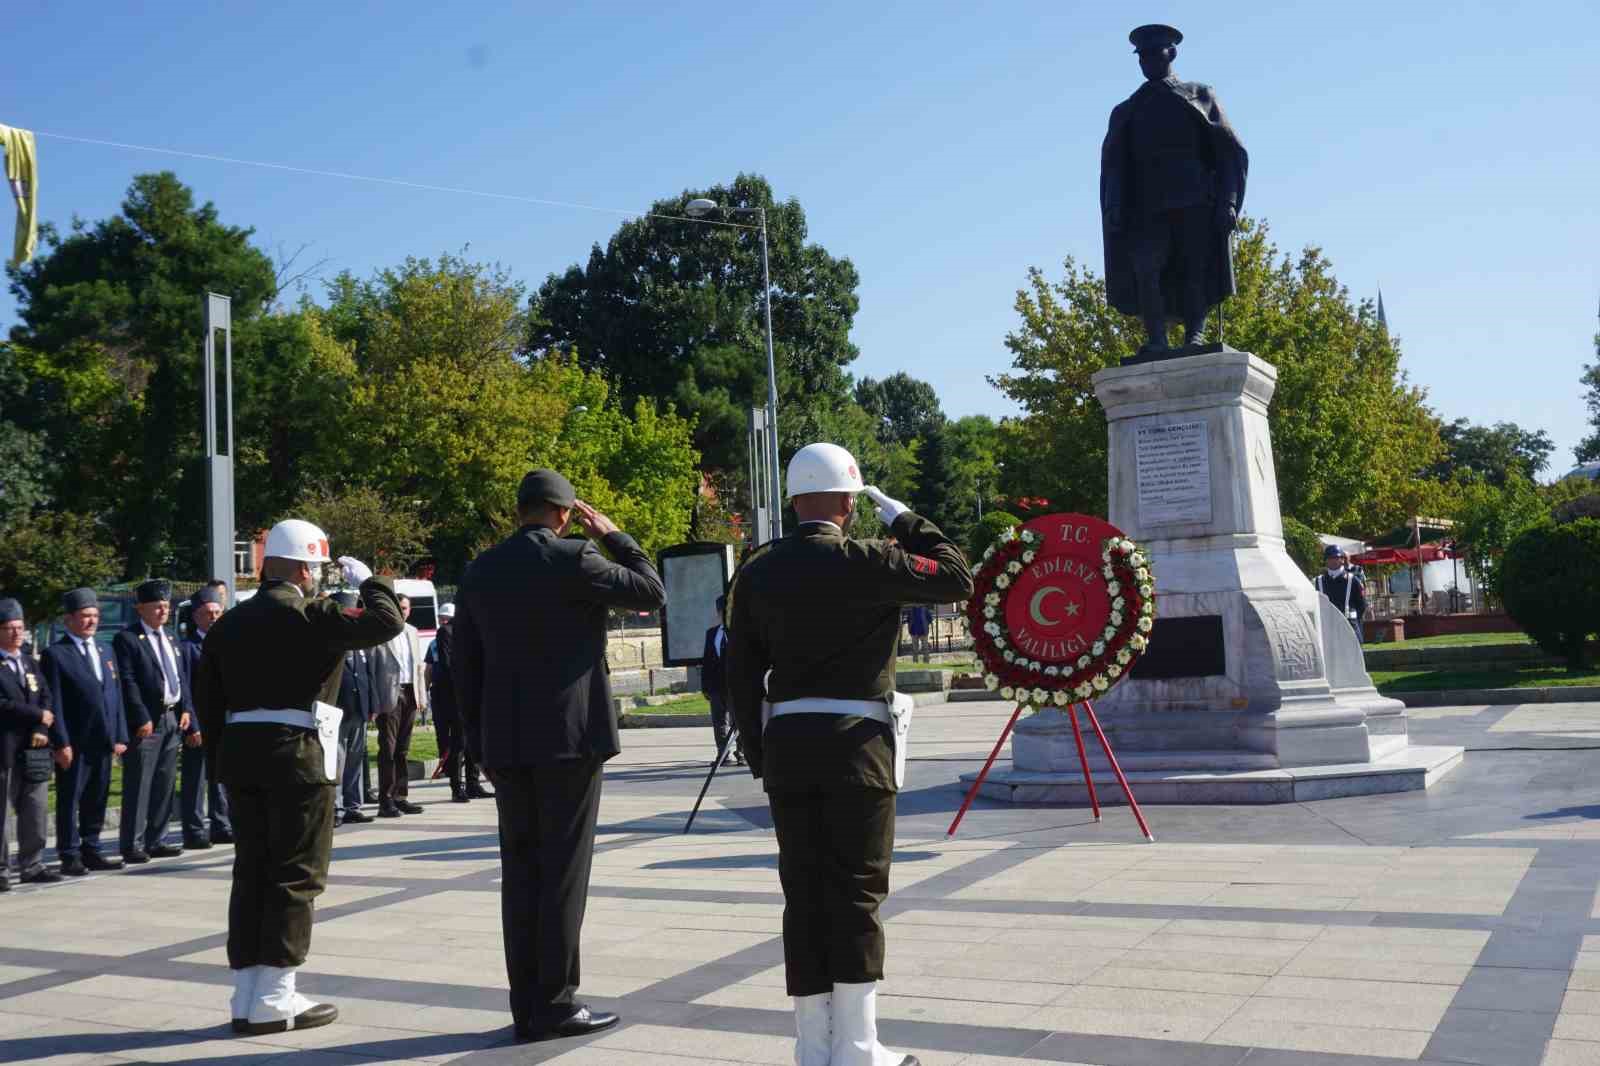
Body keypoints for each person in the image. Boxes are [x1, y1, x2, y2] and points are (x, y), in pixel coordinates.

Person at [726, 442, 973, 1066]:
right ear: (847, 501)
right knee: (858, 893)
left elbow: (740, 674)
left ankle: (813, 1046)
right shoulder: (873, 559)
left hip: (788, 750)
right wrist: (902, 516)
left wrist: (760, 756)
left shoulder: (756, 570)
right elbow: (957, 575)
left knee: (804, 894)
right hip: (859, 750)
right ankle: (859, 1047)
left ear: (794, 498)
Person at [455, 469, 665, 1043]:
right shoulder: (576, 559)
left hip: (506, 744)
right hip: (570, 742)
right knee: (563, 875)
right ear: (566, 514)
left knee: (520, 875)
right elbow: (652, 591)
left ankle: (526, 1002)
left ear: (519, 510)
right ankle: (555, 1003)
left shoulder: (480, 570)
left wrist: (477, 742)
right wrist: (616, 537)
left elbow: (464, 667)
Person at [193, 519, 404, 1035]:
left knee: (252, 873)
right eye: (315, 568)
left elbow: (208, 700)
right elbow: (388, 623)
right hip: (297, 758)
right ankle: (275, 996)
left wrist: (224, 761)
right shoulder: (313, 614)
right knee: (295, 875)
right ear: (305, 568)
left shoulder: (228, 624)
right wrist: (375, 581)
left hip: (242, 756)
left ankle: (246, 993)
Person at [1100, 23, 1248, 355]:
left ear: (1172, 53)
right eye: (1143, 56)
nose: (1148, 61)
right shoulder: (1127, 110)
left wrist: (1228, 201)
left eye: (1155, 53)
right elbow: (1114, 164)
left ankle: (1194, 336)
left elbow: (1228, 153)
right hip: (1145, 208)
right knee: (1147, 272)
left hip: (1192, 200)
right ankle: (1157, 340)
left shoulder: (1199, 95)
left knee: (1193, 268)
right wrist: (1113, 206)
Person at [41, 587, 128, 875]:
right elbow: (55, 702)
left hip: (103, 740)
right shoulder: (56, 654)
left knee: (97, 797)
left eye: (95, 615)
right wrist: (61, 742)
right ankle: (69, 853)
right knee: (70, 799)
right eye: (84, 616)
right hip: (75, 742)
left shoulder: (106, 649)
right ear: (69, 620)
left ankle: (92, 849)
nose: (91, 621)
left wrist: (119, 735)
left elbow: (115, 695)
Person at [112, 580, 190, 862]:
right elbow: (128, 680)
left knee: (165, 781)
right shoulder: (128, 639)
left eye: (166, 606)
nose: (163, 611)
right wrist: (140, 716)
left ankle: (157, 838)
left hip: (172, 717)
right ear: (140, 608)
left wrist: (185, 708)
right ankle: (132, 844)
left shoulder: (170, 638)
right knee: (140, 783)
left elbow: (180, 677)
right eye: (157, 606)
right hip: (147, 721)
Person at [1, 597, 70, 888]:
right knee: (2, 812)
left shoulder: (29, 661)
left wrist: (43, 724)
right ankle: (2, 870)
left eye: (19, 627)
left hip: (34, 747)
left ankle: (32, 864)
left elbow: (46, 695)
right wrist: (38, 714)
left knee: (35, 806)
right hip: (4, 748)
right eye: (8, 628)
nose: (16, 633)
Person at [179, 586, 230, 849]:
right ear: (196, 616)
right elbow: (186, 689)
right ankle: (194, 829)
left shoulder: (228, 643)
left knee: (221, 776)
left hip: (224, 723)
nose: (213, 617)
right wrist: (193, 726)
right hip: (199, 724)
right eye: (208, 613)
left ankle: (222, 824)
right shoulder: (188, 648)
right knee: (195, 780)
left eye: (217, 612)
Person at [372, 594, 428, 818]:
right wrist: (374, 701)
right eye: (399, 607)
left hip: (410, 693)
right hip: (389, 695)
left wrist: (422, 697)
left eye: (405, 608)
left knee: (403, 749)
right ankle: (385, 800)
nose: (402, 611)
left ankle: (400, 796)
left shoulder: (412, 632)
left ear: (409, 610)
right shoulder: (382, 630)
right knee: (388, 748)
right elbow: (374, 666)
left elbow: (419, 667)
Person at [428, 602, 489, 802]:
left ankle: (473, 784)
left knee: (473, 740)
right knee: (459, 743)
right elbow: (447, 664)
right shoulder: (446, 631)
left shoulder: (476, 630)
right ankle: (457, 787)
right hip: (455, 695)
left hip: (474, 693)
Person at [331, 592, 377, 826]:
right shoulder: (330, 643)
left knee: (355, 760)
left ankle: (353, 805)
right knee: (336, 761)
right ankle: (336, 807)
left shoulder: (359, 644)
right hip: (336, 711)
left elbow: (368, 677)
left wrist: (372, 705)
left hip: (359, 710)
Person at [700, 596, 742, 766]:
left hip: (736, 686)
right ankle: (723, 753)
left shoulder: (740, 632)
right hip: (717, 687)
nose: (723, 614)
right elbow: (707, 662)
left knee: (738, 721)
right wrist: (705, 687)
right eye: (720, 611)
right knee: (719, 722)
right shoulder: (711, 633)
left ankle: (742, 752)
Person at [1315, 545, 1367, 642]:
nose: (1333, 561)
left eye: (1337, 558)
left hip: (1349, 627)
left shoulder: (1353, 580)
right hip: (1327, 630)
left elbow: (1362, 605)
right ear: (1325, 560)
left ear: (1343, 560)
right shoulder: (1318, 581)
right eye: (1330, 558)